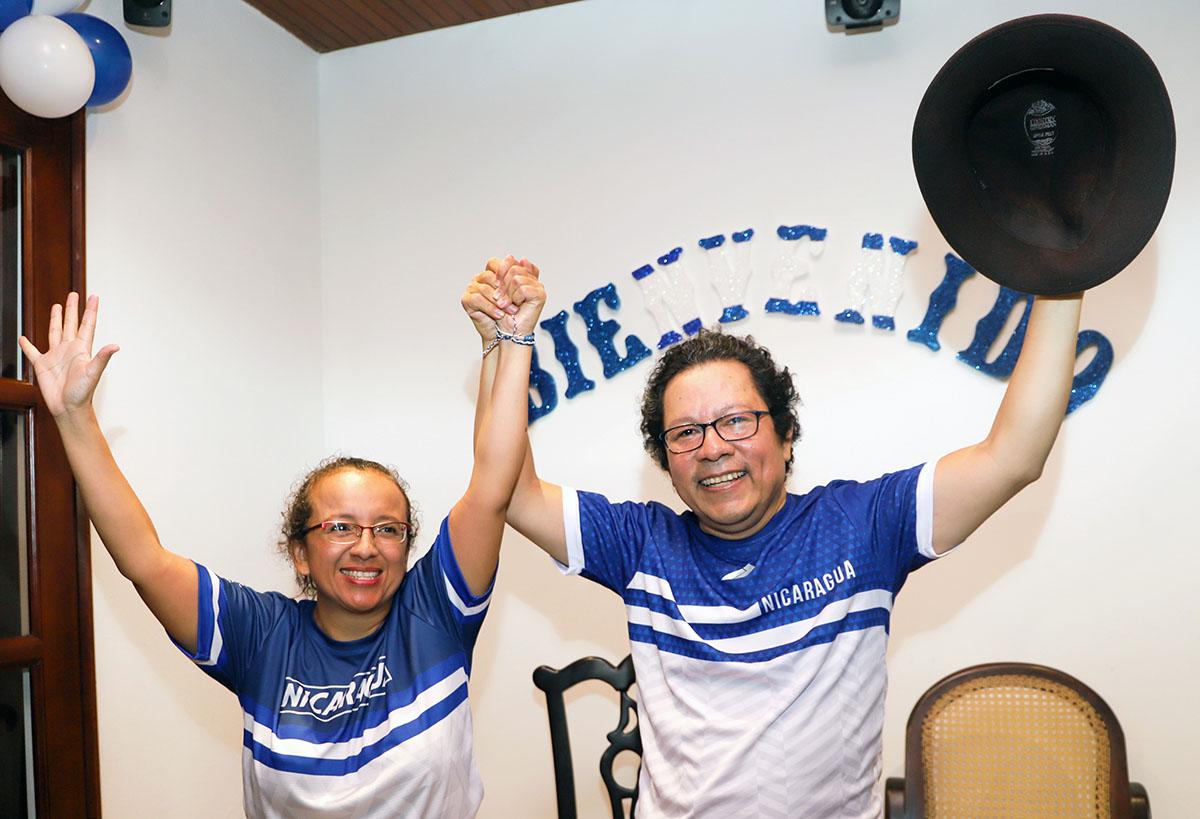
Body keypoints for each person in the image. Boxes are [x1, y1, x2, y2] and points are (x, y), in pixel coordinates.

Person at [464, 258, 1082, 818]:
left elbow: (1014, 456)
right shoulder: (640, 545)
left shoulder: (862, 526)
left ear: (785, 437)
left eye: (736, 420)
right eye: (685, 433)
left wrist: (1064, 264)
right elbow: (509, 492)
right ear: (666, 458)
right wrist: (506, 344)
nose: (713, 448)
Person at [19, 263, 544, 818]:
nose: (366, 547)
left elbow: (492, 484)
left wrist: (509, 341)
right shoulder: (262, 637)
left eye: (387, 529)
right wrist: (75, 417)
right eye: (340, 527)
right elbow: (144, 561)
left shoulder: (435, 612)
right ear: (300, 551)